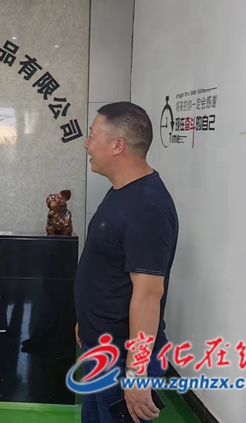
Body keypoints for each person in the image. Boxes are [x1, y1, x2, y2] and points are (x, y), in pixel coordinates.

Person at [75, 102, 179, 423]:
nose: (87, 144)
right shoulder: (122, 192)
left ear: (118, 145)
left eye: (93, 136)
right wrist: (87, 323)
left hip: (124, 361)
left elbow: (148, 294)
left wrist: (136, 371)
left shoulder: (147, 207)